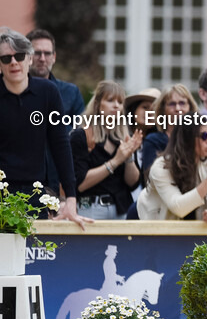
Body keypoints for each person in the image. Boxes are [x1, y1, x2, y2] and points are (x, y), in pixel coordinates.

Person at [0, 27, 88, 228]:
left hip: (35, 191)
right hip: (1, 190)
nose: (14, 62)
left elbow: (60, 145)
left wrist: (71, 199)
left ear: (29, 59)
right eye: (6, 58)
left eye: (19, 56)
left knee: (34, 255)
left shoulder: (48, 92)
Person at [70, 81, 143, 219]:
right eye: (110, 100)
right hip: (91, 209)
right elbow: (80, 184)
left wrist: (128, 157)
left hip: (121, 210)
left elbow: (133, 183)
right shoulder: (81, 136)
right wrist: (115, 161)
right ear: (98, 104)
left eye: (120, 102)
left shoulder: (124, 137)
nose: (116, 105)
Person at [27, 29, 85, 193]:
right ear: (27, 55)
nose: (42, 58)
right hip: (21, 178)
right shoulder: (12, 93)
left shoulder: (70, 92)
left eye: (47, 53)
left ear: (54, 56)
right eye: (37, 53)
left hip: (60, 180)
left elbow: (80, 137)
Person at [137, 121, 207, 223]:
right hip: (148, 224)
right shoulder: (161, 166)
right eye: (204, 136)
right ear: (188, 139)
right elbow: (179, 207)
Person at [140, 84, 199, 177]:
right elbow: (149, 177)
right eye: (172, 104)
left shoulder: (201, 138)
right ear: (163, 109)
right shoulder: (153, 140)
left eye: (182, 103)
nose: (178, 109)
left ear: (190, 108)